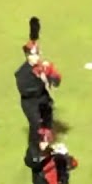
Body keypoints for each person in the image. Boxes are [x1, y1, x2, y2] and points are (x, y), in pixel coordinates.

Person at [14, 17, 61, 146]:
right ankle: (34, 151)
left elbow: (57, 79)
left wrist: (52, 79)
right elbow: (24, 90)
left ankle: (44, 148)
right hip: (31, 103)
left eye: (38, 54)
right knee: (36, 127)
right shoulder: (22, 72)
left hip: (43, 100)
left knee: (47, 124)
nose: (37, 57)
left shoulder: (43, 66)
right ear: (28, 56)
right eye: (34, 55)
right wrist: (41, 81)